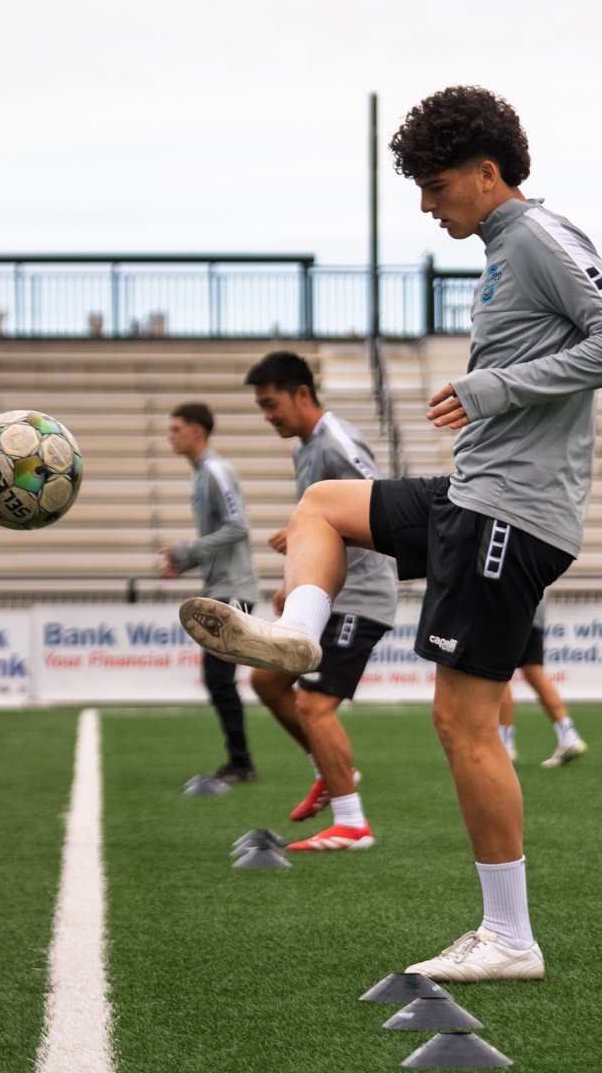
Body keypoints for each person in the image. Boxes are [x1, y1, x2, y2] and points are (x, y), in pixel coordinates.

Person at [180, 85, 602, 980]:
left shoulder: (540, 236)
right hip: (474, 493)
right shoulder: (502, 248)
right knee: (324, 505)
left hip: (510, 513)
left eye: (436, 186)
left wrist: (494, 389)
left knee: (461, 720)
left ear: (488, 173)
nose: (426, 205)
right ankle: (296, 636)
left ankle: (511, 938)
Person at [242, 350, 398, 851]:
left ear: (301, 394)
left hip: (363, 594)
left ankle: (352, 823)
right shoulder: (303, 448)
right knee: (266, 680)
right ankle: (331, 770)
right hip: (332, 593)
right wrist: (299, 565)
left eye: (271, 404)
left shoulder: (335, 441)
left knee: (313, 705)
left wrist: (323, 540)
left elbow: (378, 503)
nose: (268, 416)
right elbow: (326, 521)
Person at [162, 402, 259, 783]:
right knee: (218, 679)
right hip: (219, 587)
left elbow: (239, 526)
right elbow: (216, 538)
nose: (170, 436)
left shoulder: (216, 471)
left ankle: (242, 763)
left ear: (197, 431)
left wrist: (189, 550)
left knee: (220, 678)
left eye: (176, 429)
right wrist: (184, 562)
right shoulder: (200, 475)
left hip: (233, 589)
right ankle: (239, 761)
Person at [498, 596, 587, 768]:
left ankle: (504, 745)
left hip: (508, 604)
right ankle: (569, 736)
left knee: (497, 672)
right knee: (533, 671)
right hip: (533, 604)